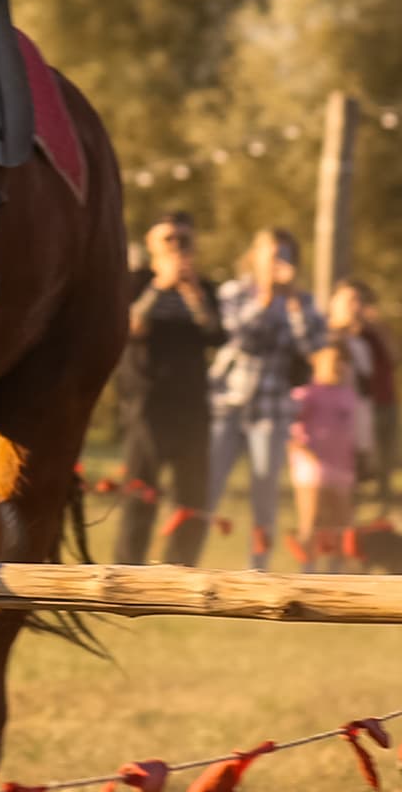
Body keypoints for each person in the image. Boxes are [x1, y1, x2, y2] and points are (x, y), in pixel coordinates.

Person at [195, 229, 316, 571]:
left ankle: (257, 570)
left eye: (285, 256)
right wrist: (265, 298)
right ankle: (185, 561)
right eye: (272, 254)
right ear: (255, 255)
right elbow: (242, 338)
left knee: (265, 496)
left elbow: (312, 348)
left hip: (271, 410)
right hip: (228, 404)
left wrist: (292, 304)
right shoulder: (234, 292)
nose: (278, 263)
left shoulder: (302, 302)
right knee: (207, 488)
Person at [111, 213, 224, 564]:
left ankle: (181, 568)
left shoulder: (205, 288)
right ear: (151, 244)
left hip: (191, 402)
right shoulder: (136, 282)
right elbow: (128, 327)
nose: (176, 246)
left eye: (183, 240)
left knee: (193, 494)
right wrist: (161, 286)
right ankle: (128, 570)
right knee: (141, 491)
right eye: (168, 239)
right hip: (146, 401)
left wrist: (192, 294)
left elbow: (216, 334)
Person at [327, 276, 402, 517]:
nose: (356, 307)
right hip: (340, 416)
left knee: (375, 466)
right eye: (350, 301)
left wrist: (377, 326)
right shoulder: (327, 335)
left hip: (376, 405)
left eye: (359, 301)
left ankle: (377, 518)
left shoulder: (371, 335)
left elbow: (394, 358)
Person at [287, 343, 369, 563]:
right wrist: (302, 450)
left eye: (342, 362)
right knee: (311, 522)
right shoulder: (305, 395)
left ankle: (337, 573)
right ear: (316, 362)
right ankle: (307, 571)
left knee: (342, 525)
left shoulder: (348, 395)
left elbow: (354, 430)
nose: (338, 367)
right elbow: (288, 429)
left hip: (342, 466)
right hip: (311, 468)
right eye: (332, 361)